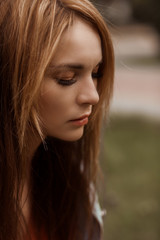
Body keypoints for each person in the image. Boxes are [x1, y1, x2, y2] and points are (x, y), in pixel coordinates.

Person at [0, 0, 114, 239]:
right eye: (67, 78)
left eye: (96, 73)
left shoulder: (72, 184)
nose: (93, 96)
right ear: (9, 77)